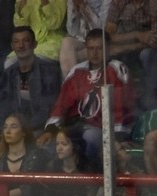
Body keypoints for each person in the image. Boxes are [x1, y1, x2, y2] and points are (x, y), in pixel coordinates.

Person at [41, 29, 134, 172]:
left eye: (99, 48)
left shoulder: (116, 69)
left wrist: (118, 135)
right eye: (91, 48)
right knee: (47, 143)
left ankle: (90, 181)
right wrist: (51, 130)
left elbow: (123, 105)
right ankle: (57, 187)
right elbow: (62, 103)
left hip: (104, 130)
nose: (95, 53)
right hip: (76, 127)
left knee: (89, 137)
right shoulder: (77, 71)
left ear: (108, 48)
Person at [0, 26, 62, 137]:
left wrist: (23, 129)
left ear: (35, 44)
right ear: (12, 46)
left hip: (39, 129)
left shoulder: (49, 71)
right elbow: (2, 106)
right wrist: (2, 129)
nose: (21, 46)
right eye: (16, 42)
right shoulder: (9, 73)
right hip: (11, 129)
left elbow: (48, 108)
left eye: (26, 41)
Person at [104, 0, 157, 111]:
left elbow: (156, 40)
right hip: (127, 49)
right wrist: (137, 35)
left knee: (147, 55)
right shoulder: (118, 2)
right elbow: (108, 37)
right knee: (111, 55)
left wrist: (126, 43)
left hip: (152, 50)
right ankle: (116, 109)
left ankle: (151, 105)